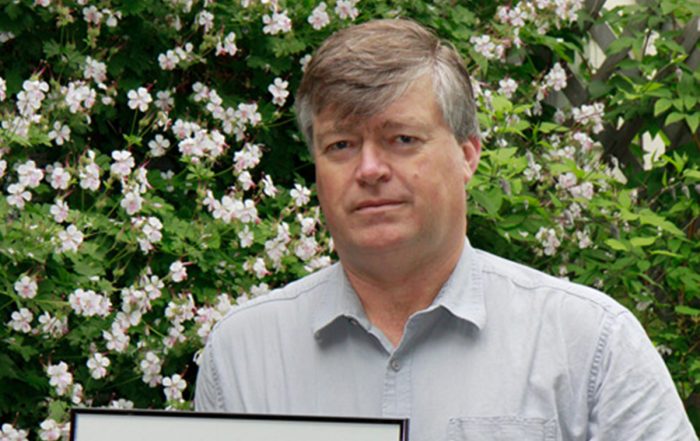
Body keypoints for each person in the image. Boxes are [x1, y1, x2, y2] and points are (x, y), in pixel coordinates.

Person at [195, 19, 696, 440]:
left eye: (402, 139)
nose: (369, 169)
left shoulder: (588, 344)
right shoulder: (242, 353)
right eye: (341, 145)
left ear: (467, 154)